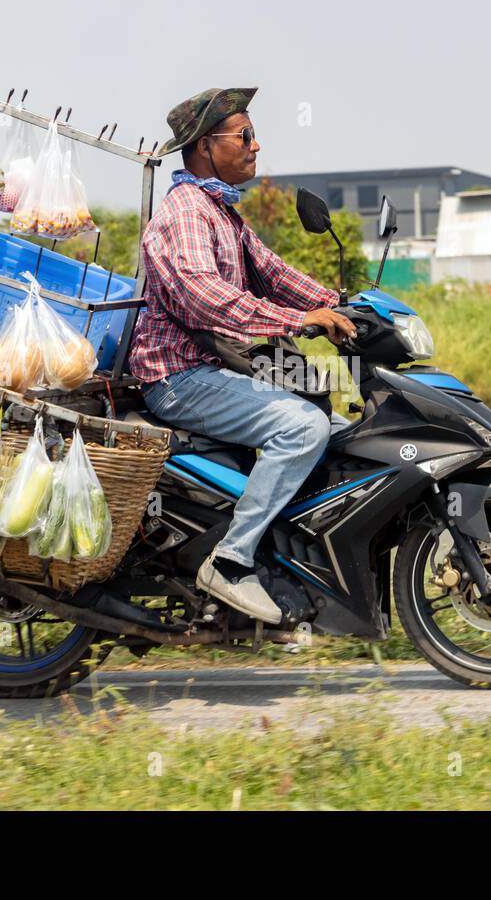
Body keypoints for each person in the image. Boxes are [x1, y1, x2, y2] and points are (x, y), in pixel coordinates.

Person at [128, 87, 356, 624]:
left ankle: (287, 560)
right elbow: (205, 297)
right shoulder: (187, 212)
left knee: (334, 420)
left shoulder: (220, 211)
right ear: (207, 146)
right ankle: (230, 562)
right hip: (180, 377)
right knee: (302, 428)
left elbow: (272, 273)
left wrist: (341, 305)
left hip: (216, 367)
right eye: (244, 136)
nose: (256, 146)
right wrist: (299, 321)